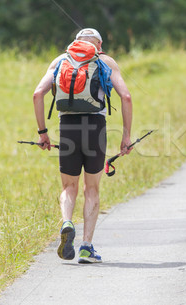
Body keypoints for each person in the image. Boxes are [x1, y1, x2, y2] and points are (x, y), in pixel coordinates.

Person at [32, 28, 132, 263]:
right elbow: (125, 97)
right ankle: (86, 247)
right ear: (99, 44)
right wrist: (126, 136)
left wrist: (42, 133)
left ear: (74, 42)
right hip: (95, 126)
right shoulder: (105, 60)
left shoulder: (60, 60)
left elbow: (38, 94)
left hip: (67, 126)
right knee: (92, 189)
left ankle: (67, 222)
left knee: (69, 187)